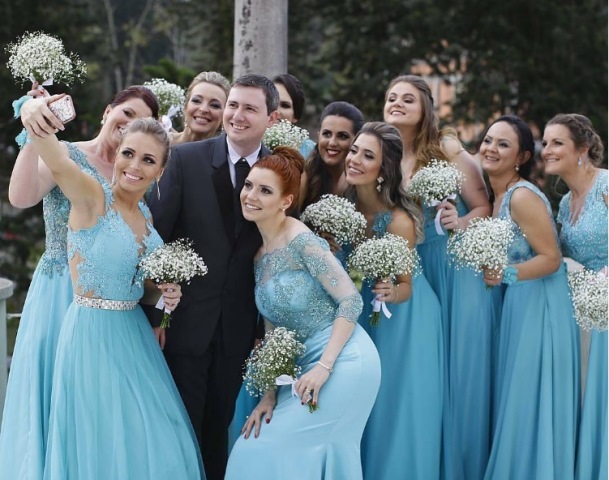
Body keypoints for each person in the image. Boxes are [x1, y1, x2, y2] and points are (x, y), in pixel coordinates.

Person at [26, 114, 204, 479]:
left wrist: (164, 293)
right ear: (117, 153)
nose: (134, 166)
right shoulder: (92, 197)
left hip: (135, 339)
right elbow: (57, 161)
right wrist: (33, 113)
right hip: (92, 338)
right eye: (128, 153)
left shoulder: (146, 216)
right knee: (102, 440)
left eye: (148, 160)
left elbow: (139, 290)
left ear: (161, 170)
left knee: (160, 436)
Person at [0, 85, 159, 479]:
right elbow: (20, 197)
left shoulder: (133, 176)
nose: (127, 125)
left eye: (138, 120)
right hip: (59, 289)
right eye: (125, 112)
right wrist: (33, 121)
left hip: (114, 309)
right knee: (53, 390)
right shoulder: (70, 154)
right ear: (107, 111)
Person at [146, 73, 279, 480]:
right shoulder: (185, 159)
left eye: (249, 108)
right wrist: (155, 315)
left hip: (240, 329)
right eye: (233, 105)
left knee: (217, 429)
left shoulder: (283, 169)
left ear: (271, 119)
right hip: (184, 323)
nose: (237, 115)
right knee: (180, 427)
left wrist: (265, 327)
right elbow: (157, 239)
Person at [224, 146, 381, 479]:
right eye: (249, 185)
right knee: (254, 447)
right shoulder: (258, 254)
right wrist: (269, 396)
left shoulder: (301, 239)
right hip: (299, 371)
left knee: (260, 450)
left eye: (265, 190)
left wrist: (324, 367)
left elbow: (351, 301)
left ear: (286, 201)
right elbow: (273, 330)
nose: (251, 195)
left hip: (343, 361)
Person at [383, 74, 493, 479]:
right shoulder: (385, 153)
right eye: (391, 97)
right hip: (407, 264)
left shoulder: (446, 150)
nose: (396, 103)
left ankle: (457, 464)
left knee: (455, 367)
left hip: (447, 264)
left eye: (407, 98)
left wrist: (459, 219)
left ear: (425, 107)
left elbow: (484, 204)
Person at [480, 115, 580, 480]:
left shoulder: (521, 196)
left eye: (502, 144)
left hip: (541, 304)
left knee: (531, 398)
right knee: (517, 398)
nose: (491, 148)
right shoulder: (497, 195)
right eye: (488, 140)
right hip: (518, 303)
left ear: (521, 157)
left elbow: (552, 260)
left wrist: (504, 274)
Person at [345, 122, 444, 479]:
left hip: (404, 318)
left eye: (367, 155)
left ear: (383, 171)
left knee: (394, 406)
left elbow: (406, 287)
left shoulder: (399, 220)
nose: (354, 159)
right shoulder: (344, 207)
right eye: (355, 150)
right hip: (360, 314)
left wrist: (390, 291)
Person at [542, 113, 607, 480]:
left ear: (582, 149)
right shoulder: (565, 203)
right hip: (585, 315)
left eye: (557, 143)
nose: (547, 150)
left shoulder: (606, 185)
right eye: (545, 143)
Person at [299, 101, 364, 212]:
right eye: (327, 134)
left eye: (342, 136)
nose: (332, 143)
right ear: (319, 135)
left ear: (357, 140)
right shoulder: (304, 172)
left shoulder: (363, 180)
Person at [172, 71, 231, 145]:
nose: (203, 109)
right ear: (186, 106)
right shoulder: (160, 142)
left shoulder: (225, 155)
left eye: (214, 105)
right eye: (196, 101)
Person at [272, 73, 316, 158]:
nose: (276, 111)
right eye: (272, 103)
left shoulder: (310, 152)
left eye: (285, 105)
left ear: (295, 116)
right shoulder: (250, 143)